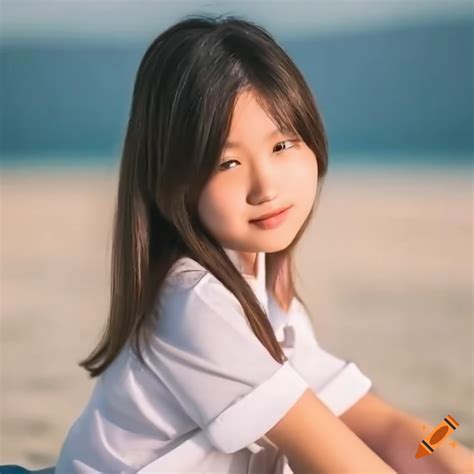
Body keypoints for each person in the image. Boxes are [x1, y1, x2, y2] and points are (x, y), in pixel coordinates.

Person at [52, 13, 473, 474]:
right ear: (171, 181)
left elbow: (391, 431)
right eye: (226, 163)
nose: (265, 187)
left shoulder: (265, 295)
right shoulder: (194, 303)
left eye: (282, 146)